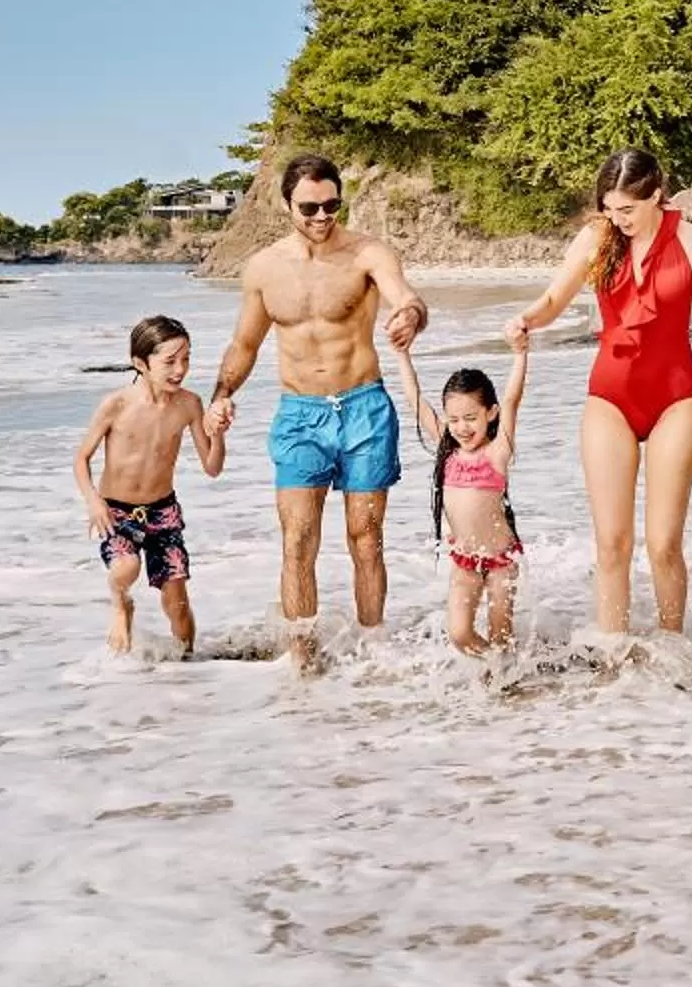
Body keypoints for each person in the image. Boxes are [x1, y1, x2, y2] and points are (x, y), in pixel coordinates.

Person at [512, 150, 692, 638]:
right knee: (611, 542)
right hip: (608, 400)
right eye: (609, 208)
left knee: (663, 543)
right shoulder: (595, 238)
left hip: (676, 400)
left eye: (627, 209)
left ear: (656, 195)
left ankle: (673, 650)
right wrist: (527, 319)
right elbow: (553, 300)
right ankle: (616, 661)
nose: (617, 218)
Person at [206, 155, 431, 672]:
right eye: (310, 207)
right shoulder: (264, 268)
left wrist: (410, 318)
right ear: (287, 204)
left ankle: (375, 647)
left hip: (363, 409)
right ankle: (301, 658)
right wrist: (221, 394)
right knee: (298, 537)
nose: (322, 216)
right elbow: (245, 343)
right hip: (300, 415)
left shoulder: (367, 252)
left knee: (366, 536)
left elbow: (407, 298)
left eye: (332, 204)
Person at [73, 314, 226, 657]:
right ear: (140, 363)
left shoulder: (189, 404)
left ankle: (187, 662)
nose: (180, 369)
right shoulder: (116, 404)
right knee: (127, 567)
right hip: (117, 512)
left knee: (178, 603)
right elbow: (81, 458)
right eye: (170, 361)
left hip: (163, 512)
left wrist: (218, 433)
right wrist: (94, 502)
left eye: (186, 359)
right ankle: (120, 605)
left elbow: (212, 467)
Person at [398, 324, 531, 656]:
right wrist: (402, 354)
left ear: (491, 413)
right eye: (453, 419)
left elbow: (513, 399)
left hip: (501, 562)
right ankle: (494, 671)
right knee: (459, 634)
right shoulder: (448, 448)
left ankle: (505, 683)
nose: (461, 427)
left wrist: (520, 353)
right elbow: (415, 401)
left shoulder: (498, 452)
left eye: (471, 417)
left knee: (503, 637)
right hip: (465, 561)